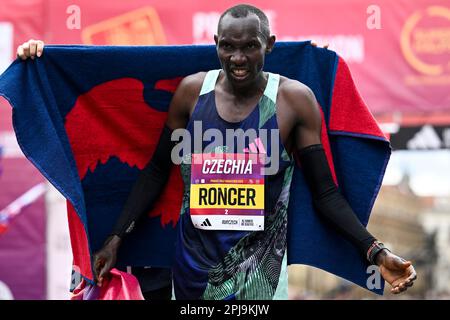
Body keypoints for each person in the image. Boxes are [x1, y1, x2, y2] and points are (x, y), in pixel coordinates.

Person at [18, 4, 416, 300]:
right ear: (216, 45)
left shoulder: (294, 101)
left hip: (259, 282)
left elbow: (326, 194)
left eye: (249, 47)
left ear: (270, 46)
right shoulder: (192, 93)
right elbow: (156, 171)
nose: (238, 59)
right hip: (192, 278)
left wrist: (375, 252)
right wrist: (116, 238)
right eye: (227, 47)